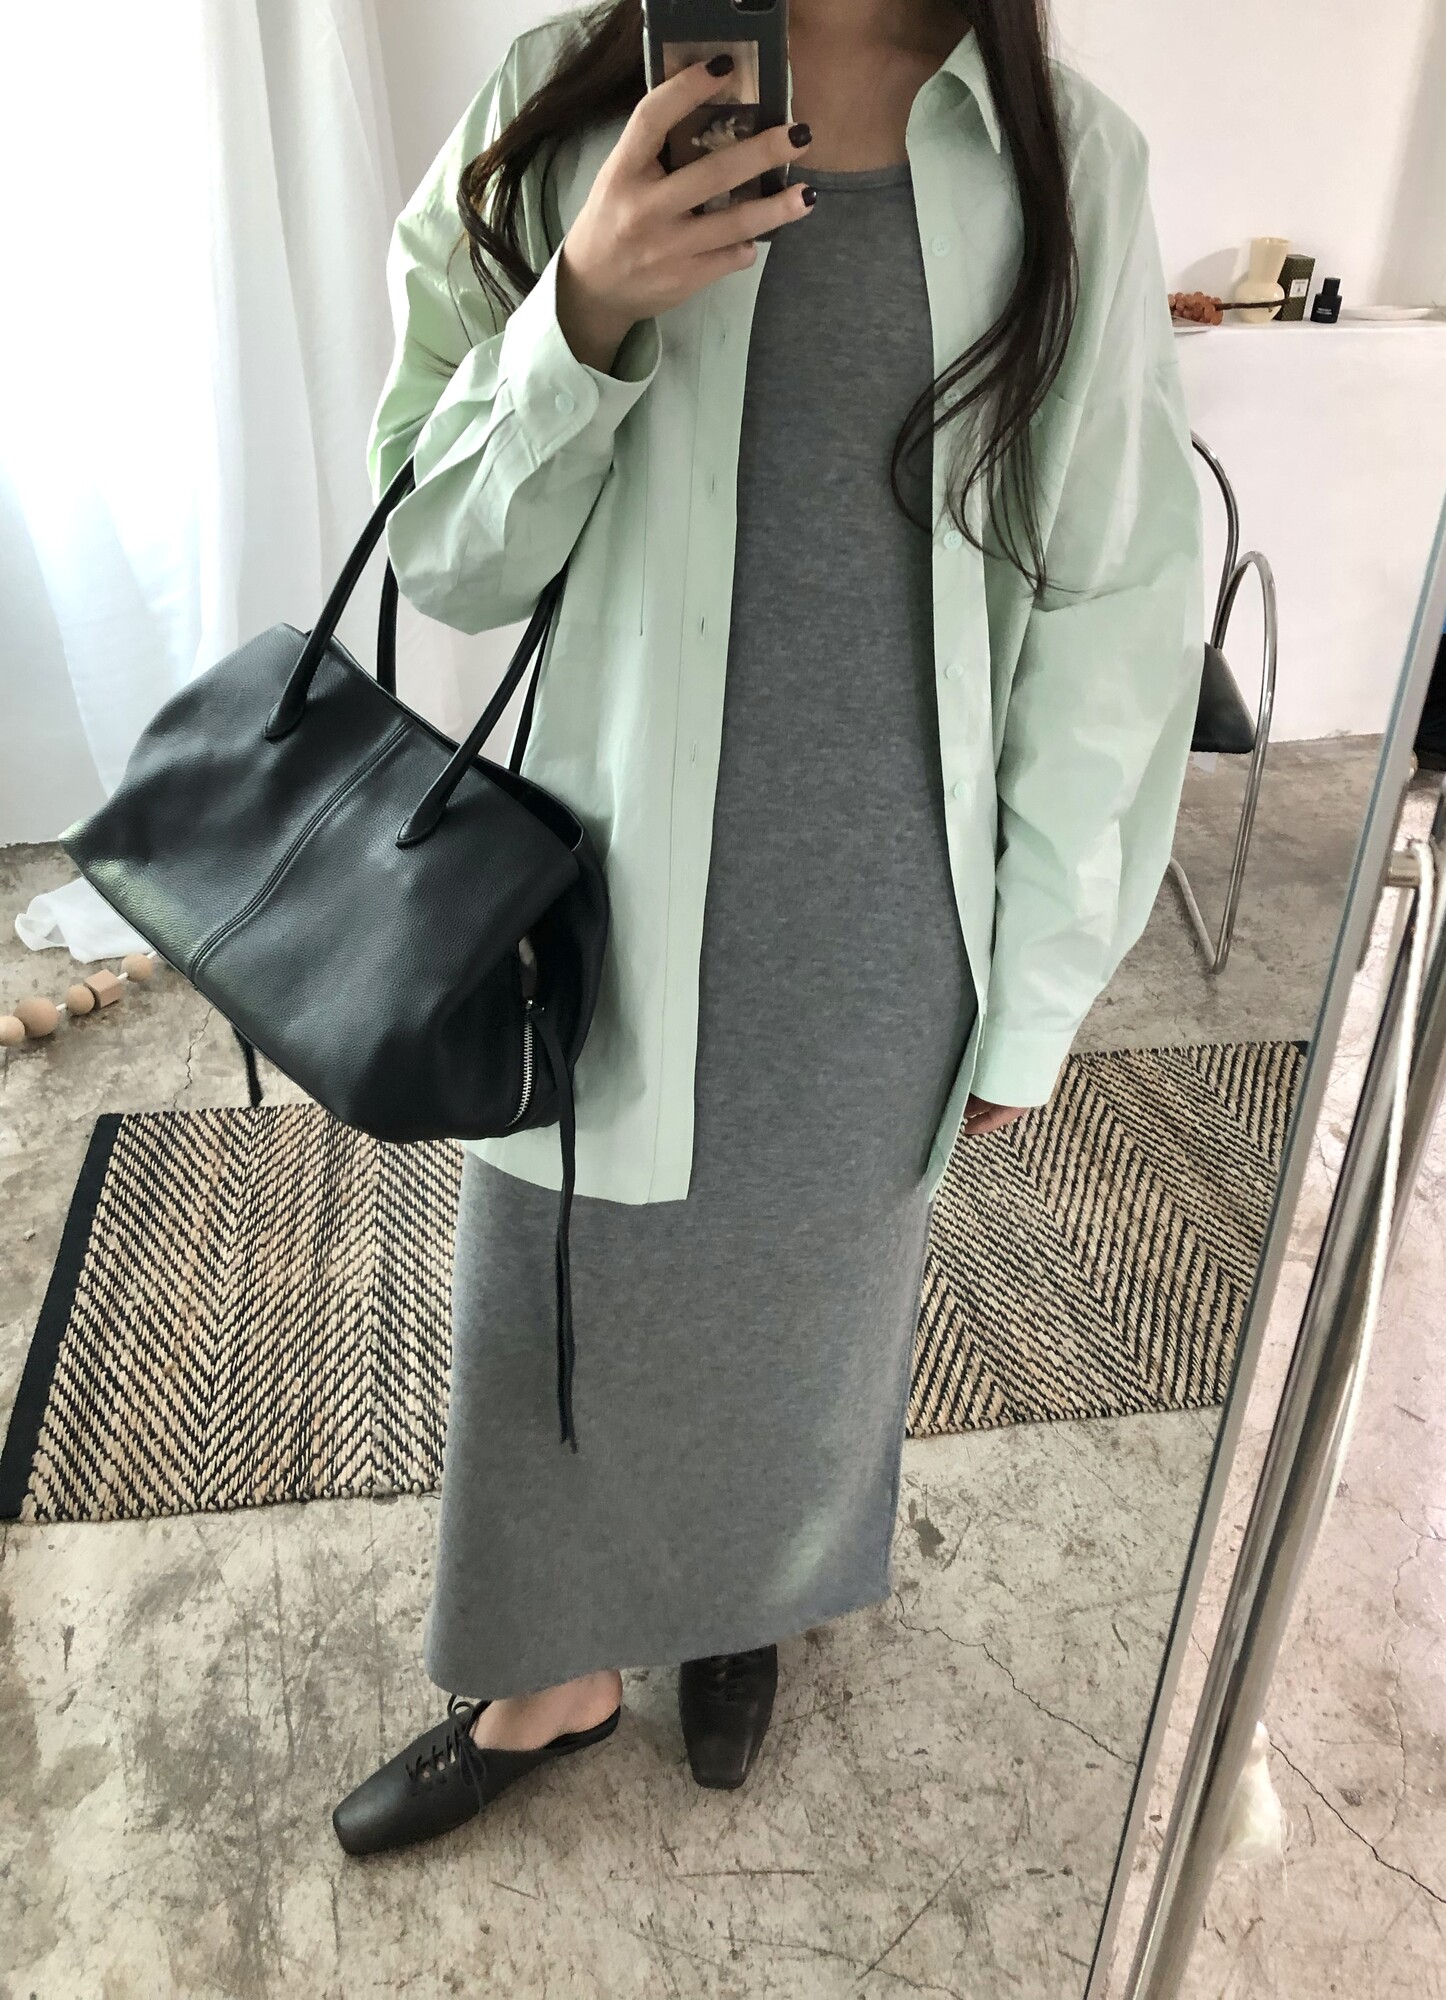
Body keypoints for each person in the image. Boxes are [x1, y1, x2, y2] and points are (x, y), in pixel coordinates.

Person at [333, 0, 1203, 1856]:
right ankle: (550, 1676)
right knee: (561, 1288)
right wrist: (582, 307)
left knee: (808, 1311)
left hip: (891, 895)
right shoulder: (557, 103)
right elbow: (445, 553)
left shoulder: (1066, 163)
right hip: (598, 872)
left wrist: (1039, 980)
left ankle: (742, 1600)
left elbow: (1112, 600)